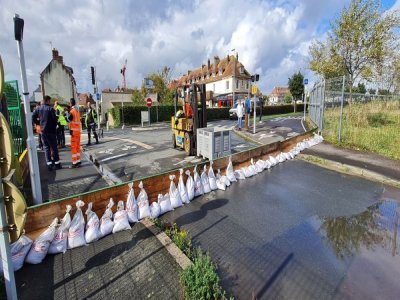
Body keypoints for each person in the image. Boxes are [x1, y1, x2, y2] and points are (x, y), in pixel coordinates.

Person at [32, 96, 61, 171]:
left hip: (43, 131)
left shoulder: (38, 108)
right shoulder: (50, 109)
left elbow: (33, 117)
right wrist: (55, 126)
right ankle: (57, 164)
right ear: (47, 101)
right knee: (54, 147)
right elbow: (55, 120)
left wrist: (39, 123)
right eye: (50, 101)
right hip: (51, 131)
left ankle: (49, 164)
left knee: (46, 147)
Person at [68, 98, 81, 168]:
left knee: (73, 147)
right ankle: (78, 161)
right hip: (78, 131)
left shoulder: (72, 111)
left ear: (70, 103)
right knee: (77, 147)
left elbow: (69, 119)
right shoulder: (77, 111)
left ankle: (74, 163)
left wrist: (66, 114)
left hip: (74, 132)